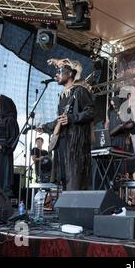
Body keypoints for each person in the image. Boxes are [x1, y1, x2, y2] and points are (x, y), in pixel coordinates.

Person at [37, 59, 95, 190]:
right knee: (64, 179)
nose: (55, 75)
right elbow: (60, 119)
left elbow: (91, 112)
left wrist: (72, 118)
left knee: (74, 180)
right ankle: (66, 206)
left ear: (69, 74)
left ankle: (74, 207)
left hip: (75, 145)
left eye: (59, 72)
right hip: (63, 143)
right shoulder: (63, 96)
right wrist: (45, 127)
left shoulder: (79, 91)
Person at [107, 96, 135, 179]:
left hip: (124, 139)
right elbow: (111, 126)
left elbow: (132, 124)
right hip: (115, 140)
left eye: (115, 104)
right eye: (112, 105)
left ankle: (130, 176)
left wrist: (124, 126)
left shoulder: (127, 110)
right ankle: (117, 176)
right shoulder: (112, 113)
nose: (114, 106)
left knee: (127, 161)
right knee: (116, 161)